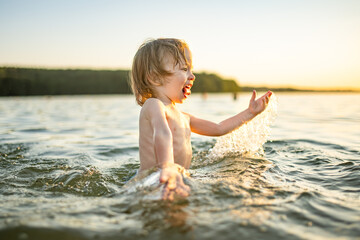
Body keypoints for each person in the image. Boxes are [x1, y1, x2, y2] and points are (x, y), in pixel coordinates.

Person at [130, 38, 272, 200]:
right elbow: (162, 133)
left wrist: (250, 112)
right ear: (154, 77)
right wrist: (167, 167)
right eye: (184, 69)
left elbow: (219, 128)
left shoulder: (184, 117)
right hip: (152, 181)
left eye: (191, 69)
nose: (192, 76)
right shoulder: (153, 105)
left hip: (176, 178)